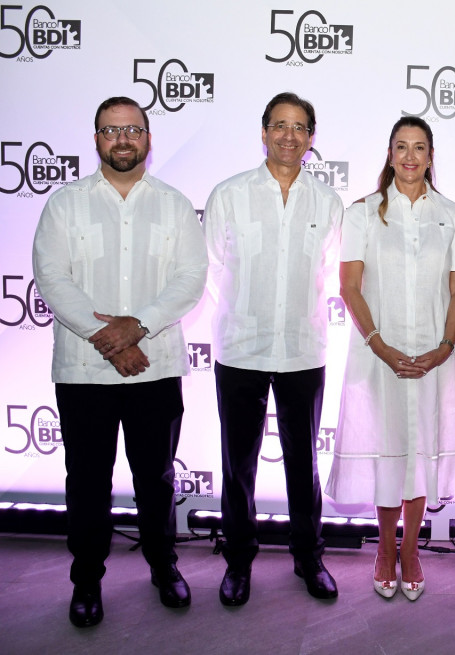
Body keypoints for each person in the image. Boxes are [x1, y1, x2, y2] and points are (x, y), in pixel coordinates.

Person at [32, 96, 208, 627]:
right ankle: (86, 579)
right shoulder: (64, 204)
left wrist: (137, 327)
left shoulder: (174, 204)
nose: (122, 140)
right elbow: (51, 277)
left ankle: (164, 567)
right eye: (111, 131)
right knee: (86, 478)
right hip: (84, 371)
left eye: (132, 130)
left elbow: (190, 279)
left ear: (148, 138)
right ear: (95, 140)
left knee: (155, 477)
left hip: (154, 368)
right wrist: (109, 335)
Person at [325, 116, 455, 601]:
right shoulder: (363, 213)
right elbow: (349, 286)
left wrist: (445, 348)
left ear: (431, 156)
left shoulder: (454, 215)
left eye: (419, 148)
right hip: (378, 354)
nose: (410, 156)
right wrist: (379, 344)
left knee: (419, 454)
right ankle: (384, 549)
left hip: (436, 356)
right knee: (390, 451)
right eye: (401, 147)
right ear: (389, 155)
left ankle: (410, 549)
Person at [204, 92, 343, 606]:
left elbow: (328, 271)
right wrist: (247, 311)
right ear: (263, 132)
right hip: (240, 348)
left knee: (303, 463)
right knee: (237, 463)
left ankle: (309, 557)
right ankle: (238, 560)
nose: (289, 135)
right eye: (279, 125)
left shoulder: (326, 201)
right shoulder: (230, 194)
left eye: (299, 127)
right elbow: (214, 269)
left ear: (311, 138)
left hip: (304, 349)